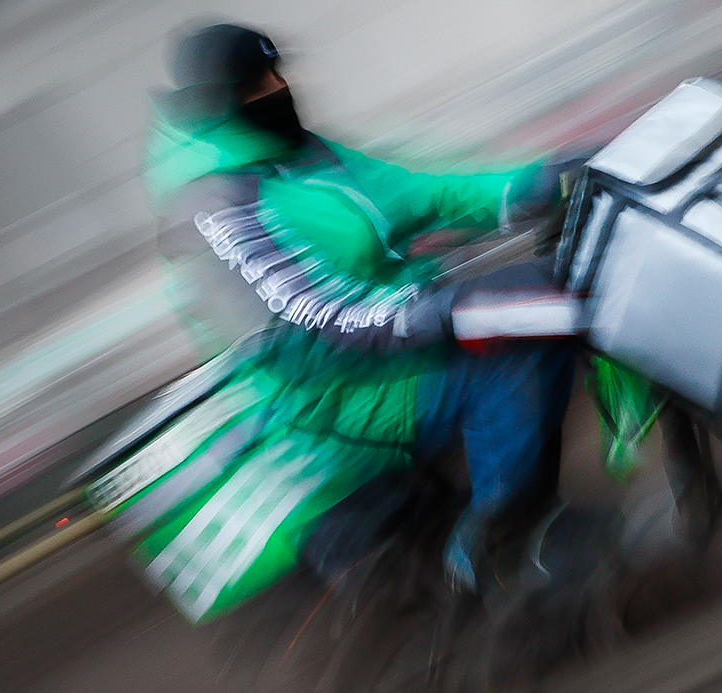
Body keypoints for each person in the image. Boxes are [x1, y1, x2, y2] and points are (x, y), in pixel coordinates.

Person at [133, 22, 576, 622]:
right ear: (221, 103)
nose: (278, 88)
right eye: (256, 84)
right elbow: (308, 323)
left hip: (393, 346)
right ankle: (497, 548)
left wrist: (536, 184)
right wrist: (437, 315)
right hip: (329, 393)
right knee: (520, 348)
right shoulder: (213, 206)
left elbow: (425, 197)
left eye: (277, 72)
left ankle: (523, 509)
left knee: (545, 309)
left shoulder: (309, 155)